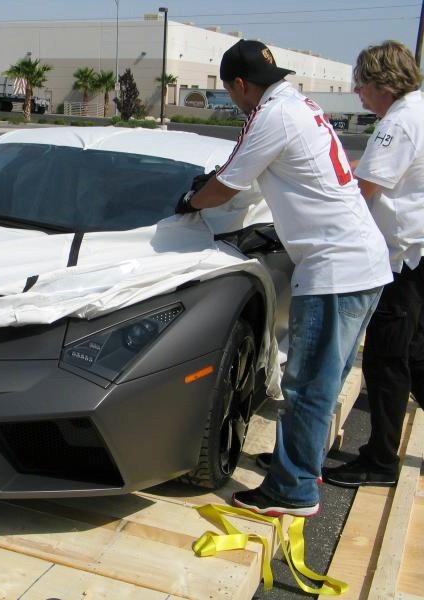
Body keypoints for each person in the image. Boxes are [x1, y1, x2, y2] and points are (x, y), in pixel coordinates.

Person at [176, 39, 393, 517]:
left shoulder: (272, 116)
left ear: (238, 84)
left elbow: (228, 186)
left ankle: (292, 491)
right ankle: (302, 466)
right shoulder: (297, 105)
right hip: (362, 263)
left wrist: (190, 205)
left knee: (309, 385)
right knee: (324, 381)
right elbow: (249, 175)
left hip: (335, 269)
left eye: (231, 90)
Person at [322, 41, 424, 488]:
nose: (358, 93)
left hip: (401, 259)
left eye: (362, 84)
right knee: (417, 356)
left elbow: (364, 189)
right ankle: (380, 453)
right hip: (420, 253)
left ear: (384, 84)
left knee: (386, 360)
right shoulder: (416, 111)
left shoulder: (397, 123)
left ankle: (380, 460)